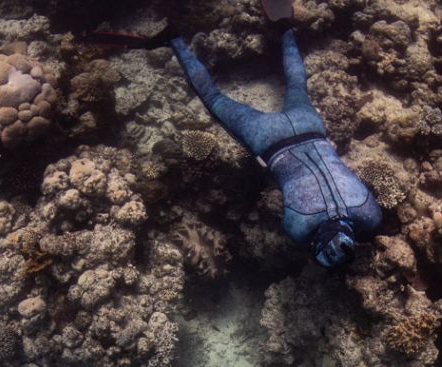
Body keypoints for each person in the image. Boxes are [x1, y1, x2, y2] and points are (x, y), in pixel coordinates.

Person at [83, 16, 383, 268]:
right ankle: (173, 39)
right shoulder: (299, 229)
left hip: (312, 130)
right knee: (214, 99)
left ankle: (286, 28)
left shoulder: (370, 214)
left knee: (296, 83)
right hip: (270, 142)